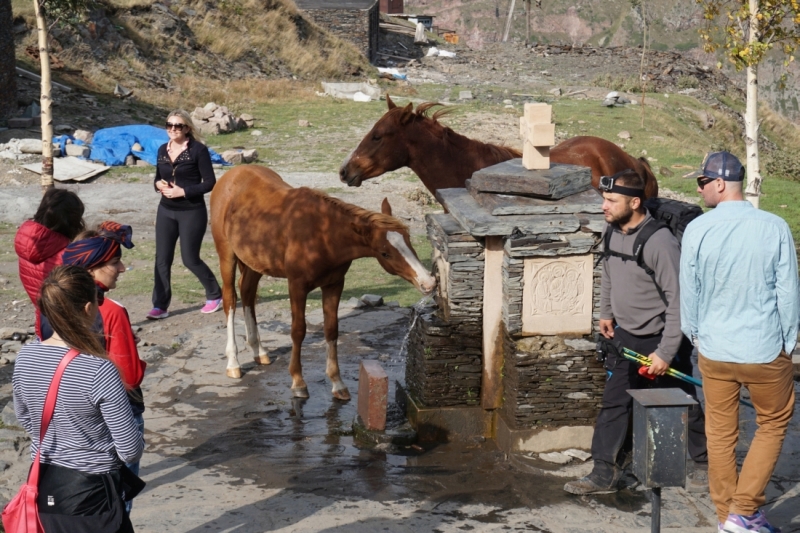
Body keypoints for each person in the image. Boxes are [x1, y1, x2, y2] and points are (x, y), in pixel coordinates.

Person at [564, 169, 708, 495]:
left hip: (661, 337)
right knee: (613, 403)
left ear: (635, 201)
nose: (604, 206)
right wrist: (605, 313)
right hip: (624, 335)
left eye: (611, 200)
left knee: (684, 401)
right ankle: (604, 472)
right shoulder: (612, 230)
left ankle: (704, 463)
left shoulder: (660, 242)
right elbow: (610, 271)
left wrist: (666, 352)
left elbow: (679, 301)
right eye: (604, 199)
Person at [680, 152, 798, 533]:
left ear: (719, 183)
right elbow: (788, 292)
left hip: (714, 349)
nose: (699, 189)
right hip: (764, 348)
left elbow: (689, 290)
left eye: (702, 183)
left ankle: (725, 516)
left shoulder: (698, 229)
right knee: (773, 423)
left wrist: (695, 334)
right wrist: (789, 344)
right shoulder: (774, 226)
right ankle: (744, 511)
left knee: (720, 434)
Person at [12, 265, 144, 532]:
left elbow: (25, 416)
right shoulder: (99, 369)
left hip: (45, 485)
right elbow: (130, 448)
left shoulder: (25, 357)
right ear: (88, 309)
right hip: (93, 495)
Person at [61, 221, 147, 514]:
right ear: (90, 269)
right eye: (115, 262)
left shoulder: (53, 303)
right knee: (116, 508)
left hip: (70, 423)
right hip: (115, 419)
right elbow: (130, 377)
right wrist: (134, 355)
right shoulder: (112, 310)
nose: (122, 269)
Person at [148, 109, 222, 319]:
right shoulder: (163, 149)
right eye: (169, 125)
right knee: (162, 259)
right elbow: (157, 177)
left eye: (177, 126)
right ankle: (160, 306)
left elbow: (209, 183)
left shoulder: (198, 150)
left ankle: (215, 295)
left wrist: (183, 191)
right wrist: (158, 184)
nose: (172, 129)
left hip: (191, 211)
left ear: (187, 128)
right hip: (166, 210)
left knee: (190, 259)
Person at [14, 187, 85, 338]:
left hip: (43, 321)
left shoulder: (26, 243)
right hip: (70, 329)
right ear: (72, 220)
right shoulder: (67, 255)